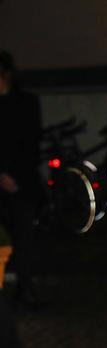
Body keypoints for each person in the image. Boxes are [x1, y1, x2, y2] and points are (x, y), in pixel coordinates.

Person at [0, 53, 43, 308]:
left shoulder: (27, 103)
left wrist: (12, 176)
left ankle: (26, 288)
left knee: (23, 237)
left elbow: (30, 143)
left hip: (22, 181)